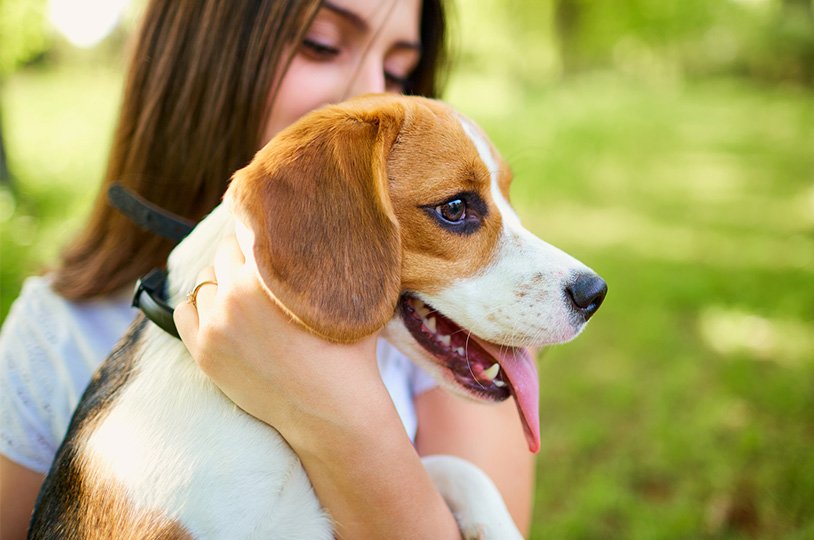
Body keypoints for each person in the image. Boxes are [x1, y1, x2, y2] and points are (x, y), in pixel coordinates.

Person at [0, 1, 535, 538]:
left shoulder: (446, 320)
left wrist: (344, 421)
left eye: (398, 72)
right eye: (321, 45)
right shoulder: (52, 337)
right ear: (202, 49)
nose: (372, 91)